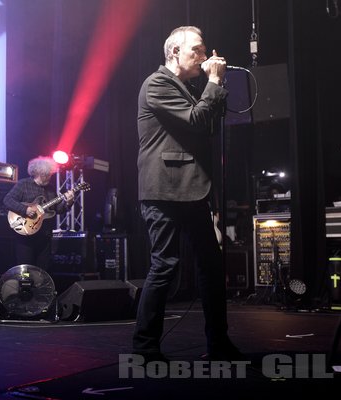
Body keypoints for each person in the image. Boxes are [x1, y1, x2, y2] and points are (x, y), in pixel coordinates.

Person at [133, 26, 242, 362]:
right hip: (163, 188)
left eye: (204, 48)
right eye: (196, 49)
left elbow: (206, 126)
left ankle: (219, 345)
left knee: (210, 265)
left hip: (192, 189)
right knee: (165, 265)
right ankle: (145, 349)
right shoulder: (157, 84)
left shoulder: (186, 87)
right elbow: (196, 119)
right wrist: (213, 83)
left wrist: (214, 86)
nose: (204, 55)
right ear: (174, 52)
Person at [3, 156, 75, 270]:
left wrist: (69, 202)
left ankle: (40, 287)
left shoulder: (51, 189)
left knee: (42, 270)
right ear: (38, 173)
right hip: (25, 235)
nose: (49, 177)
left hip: (44, 236)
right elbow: (7, 200)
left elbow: (58, 210)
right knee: (25, 270)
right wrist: (25, 210)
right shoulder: (24, 184)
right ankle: (25, 288)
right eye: (46, 175)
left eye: (50, 174)